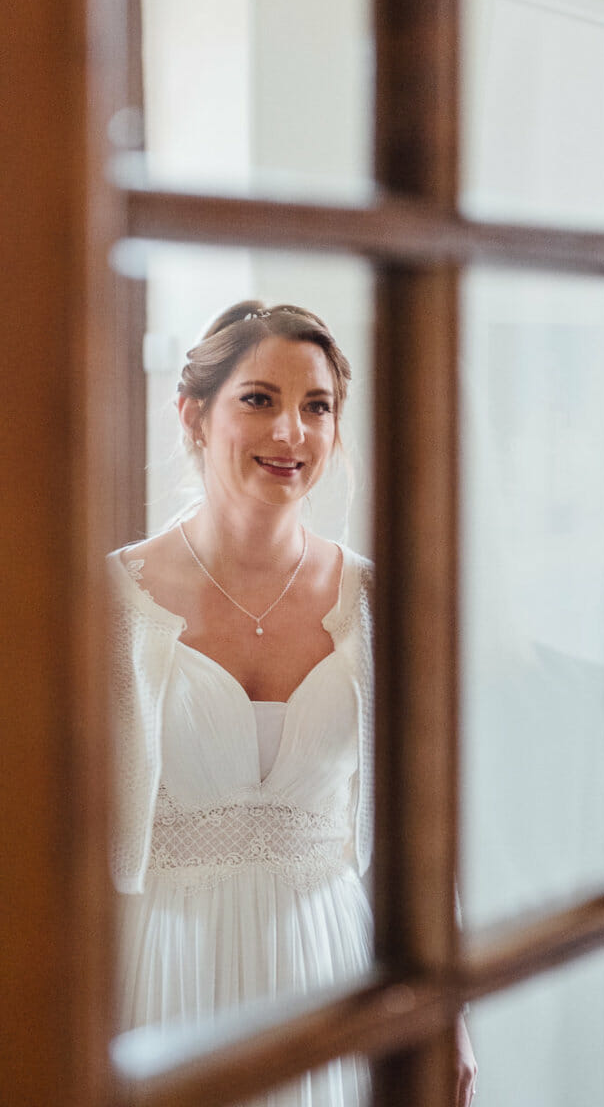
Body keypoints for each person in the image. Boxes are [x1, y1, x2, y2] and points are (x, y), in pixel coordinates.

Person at [109, 300, 477, 1106]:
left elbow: (420, 822)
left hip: (331, 965)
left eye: (317, 407)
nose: (290, 433)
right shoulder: (111, 600)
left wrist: (448, 1008)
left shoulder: (379, 598)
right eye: (258, 399)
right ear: (193, 415)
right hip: (160, 974)